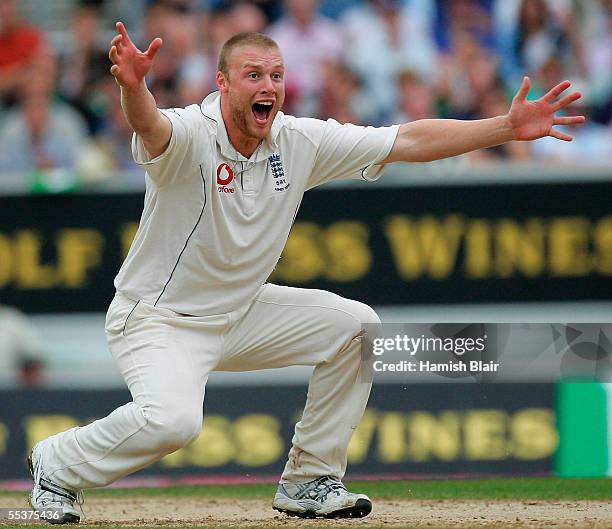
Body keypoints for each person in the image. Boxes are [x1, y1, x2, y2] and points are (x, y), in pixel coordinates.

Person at [28, 21, 584, 524]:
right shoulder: (190, 135)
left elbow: (406, 140)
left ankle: (310, 479)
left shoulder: (297, 140)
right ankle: (57, 464)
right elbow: (150, 127)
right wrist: (132, 87)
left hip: (239, 312)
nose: (266, 85)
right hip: (157, 318)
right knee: (175, 424)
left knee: (357, 327)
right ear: (221, 83)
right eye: (252, 75)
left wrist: (506, 128)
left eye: (275, 75)